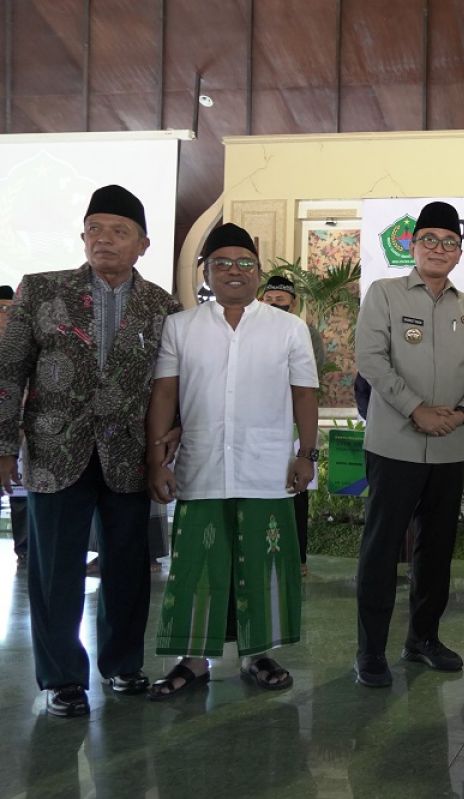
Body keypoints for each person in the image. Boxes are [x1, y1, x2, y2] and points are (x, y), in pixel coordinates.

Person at [0, 185, 181, 717]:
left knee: (129, 565)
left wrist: (175, 434)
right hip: (56, 452)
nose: (105, 239)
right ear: (82, 236)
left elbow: (175, 379)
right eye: (95, 229)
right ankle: (61, 679)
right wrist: (4, 445)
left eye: (119, 231)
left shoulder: (161, 305)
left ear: (143, 244)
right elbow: (8, 374)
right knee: (55, 568)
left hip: (129, 455)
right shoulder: (40, 291)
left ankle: (123, 665)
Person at [144, 222, 318, 699]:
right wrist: (158, 459)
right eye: (223, 263)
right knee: (199, 562)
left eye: (245, 263)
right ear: (206, 271)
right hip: (200, 466)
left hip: (267, 468)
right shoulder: (181, 326)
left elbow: (304, 394)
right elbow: (165, 393)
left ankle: (257, 655)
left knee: (263, 564)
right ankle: (193, 661)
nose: (234, 272)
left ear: (259, 272)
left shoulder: (289, 327)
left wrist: (307, 454)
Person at [354, 201, 464, 685]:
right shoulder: (385, 294)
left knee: (437, 549)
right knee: (382, 547)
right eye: (429, 239)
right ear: (413, 247)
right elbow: (371, 359)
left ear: (459, 253)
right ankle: (371, 651)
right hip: (395, 444)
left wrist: (461, 413)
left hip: (450, 447)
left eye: (449, 242)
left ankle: (424, 639)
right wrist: (416, 409)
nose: (439, 248)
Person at [261, 273, 326, 577]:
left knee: (296, 489)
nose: (275, 306)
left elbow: (310, 377)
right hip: (260, 422)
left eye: (281, 302)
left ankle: (298, 558)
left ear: (294, 302)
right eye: (270, 301)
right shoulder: (251, 330)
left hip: (294, 424)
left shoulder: (305, 333)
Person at [0, 285, 28, 571]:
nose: (6, 315)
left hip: (18, 432)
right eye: (1, 308)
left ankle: (26, 550)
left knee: (21, 494)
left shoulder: (26, 343)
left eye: (10, 308)